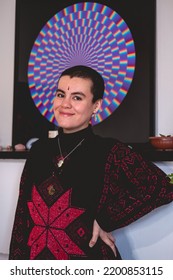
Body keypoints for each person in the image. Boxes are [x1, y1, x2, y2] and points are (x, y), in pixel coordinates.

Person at [9, 65, 173, 260]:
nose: (65, 104)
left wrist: (106, 220)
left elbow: (163, 186)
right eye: (61, 95)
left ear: (96, 106)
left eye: (77, 97)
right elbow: (22, 218)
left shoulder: (109, 151)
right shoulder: (38, 151)